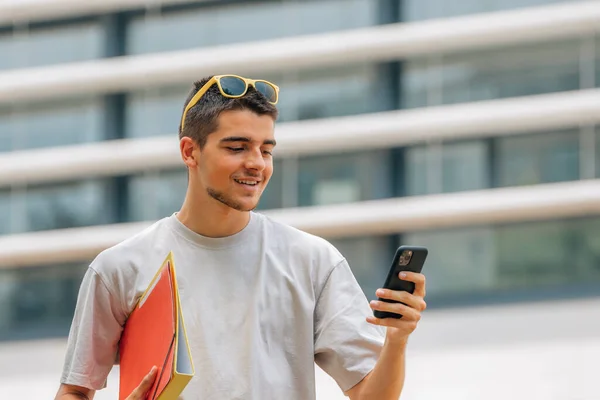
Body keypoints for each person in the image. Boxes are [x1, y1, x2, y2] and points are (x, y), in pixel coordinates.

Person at [54, 74, 427, 400]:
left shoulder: (313, 261)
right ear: (190, 151)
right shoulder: (118, 268)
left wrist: (396, 340)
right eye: (237, 147)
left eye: (266, 150)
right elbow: (74, 390)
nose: (257, 163)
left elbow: (371, 395)